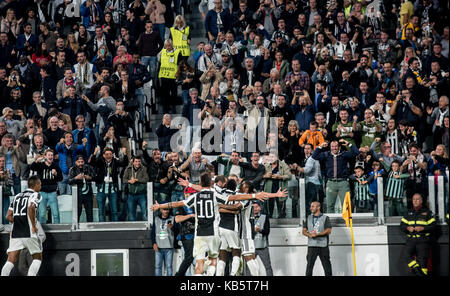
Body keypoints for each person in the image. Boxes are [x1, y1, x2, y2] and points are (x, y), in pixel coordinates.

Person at [153, 173, 286, 276]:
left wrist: (161, 206)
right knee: (224, 257)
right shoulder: (222, 195)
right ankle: (233, 275)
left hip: (206, 233)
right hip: (221, 232)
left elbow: (181, 202)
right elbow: (234, 200)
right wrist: (255, 196)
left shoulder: (203, 195)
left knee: (205, 263)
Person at [1, 175, 43, 276]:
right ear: (36, 185)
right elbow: (31, 207)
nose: (40, 186)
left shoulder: (17, 196)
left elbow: (8, 216)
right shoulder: (36, 195)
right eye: (40, 184)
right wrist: (33, 225)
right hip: (29, 231)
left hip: (16, 232)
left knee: (11, 260)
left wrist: (18, 223)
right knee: (37, 258)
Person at [311, 140, 361, 213]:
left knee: (346, 205)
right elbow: (314, 156)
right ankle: (330, 223)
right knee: (329, 205)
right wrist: (320, 146)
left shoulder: (344, 154)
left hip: (343, 182)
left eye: (336, 146)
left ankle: (347, 224)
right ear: (330, 147)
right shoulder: (326, 155)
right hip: (331, 183)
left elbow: (357, 152)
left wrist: (349, 144)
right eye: (332, 146)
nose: (334, 148)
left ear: (339, 147)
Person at [400, 193, 436, 276]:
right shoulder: (408, 213)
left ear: (421, 201)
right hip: (411, 240)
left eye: (417, 199)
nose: (415, 201)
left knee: (423, 263)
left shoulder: (428, 213)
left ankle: (419, 272)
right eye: (414, 199)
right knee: (406, 255)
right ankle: (417, 270)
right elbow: (402, 226)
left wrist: (423, 228)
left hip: (423, 240)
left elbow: (434, 226)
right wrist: (407, 228)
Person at [89, 146, 128, 222]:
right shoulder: (100, 161)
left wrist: (125, 154)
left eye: (110, 154)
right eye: (106, 154)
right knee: (101, 212)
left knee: (114, 211)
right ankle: (101, 228)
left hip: (113, 188)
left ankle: (115, 228)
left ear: (112, 155)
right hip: (101, 188)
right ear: (103, 155)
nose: (108, 156)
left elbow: (124, 163)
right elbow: (92, 163)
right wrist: (95, 153)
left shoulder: (115, 161)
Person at [29, 149, 63, 224]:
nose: (50, 157)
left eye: (52, 155)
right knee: (42, 214)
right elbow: (31, 167)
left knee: (56, 214)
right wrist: (37, 161)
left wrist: (56, 174)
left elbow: (61, 178)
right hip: (42, 192)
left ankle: (58, 230)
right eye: (49, 155)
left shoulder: (55, 166)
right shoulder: (41, 165)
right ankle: (42, 231)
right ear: (45, 156)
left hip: (53, 193)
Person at [302, 201, 332, 276]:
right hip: (312, 245)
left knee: (327, 267)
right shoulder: (308, 218)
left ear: (318, 207)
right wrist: (309, 234)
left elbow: (328, 230)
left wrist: (318, 234)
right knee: (309, 267)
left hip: (323, 245)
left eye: (313, 206)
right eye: (311, 206)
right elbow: (304, 231)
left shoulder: (325, 218)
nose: (310, 208)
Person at [174, 187, 196, 276]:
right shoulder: (182, 205)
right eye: (188, 194)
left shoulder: (198, 204)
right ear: (185, 194)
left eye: (191, 194)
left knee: (198, 260)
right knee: (189, 258)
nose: (189, 196)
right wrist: (190, 215)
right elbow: (177, 219)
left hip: (199, 235)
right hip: (187, 236)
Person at [68, 155, 96, 223]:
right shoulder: (73, 169)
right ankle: (76, 227)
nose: (80, 163)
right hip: (78, 194)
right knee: (77, 213)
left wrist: (90, 178)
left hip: (88, 194)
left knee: (89, 213)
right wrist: (76, 178)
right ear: (76, 162)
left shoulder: (89, 167)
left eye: (82, 161)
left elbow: (95, 177)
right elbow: (69, 182)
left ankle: (90, 228)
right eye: (79, 162)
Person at [151, 202, 175, 276]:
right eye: (164, 209)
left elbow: (177, 232)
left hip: (169, 247)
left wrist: (172, 228)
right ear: (161, 210)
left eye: (167, 209)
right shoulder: (156, 219)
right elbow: (152, 233)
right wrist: (153, 243)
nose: (166, 211)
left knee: (169, 267)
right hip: (158, 247)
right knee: (158, 267)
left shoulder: (172, 218)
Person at [122, 156, 149, 221]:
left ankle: (147, 227)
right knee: (131, 213)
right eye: (136, 161)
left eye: (139, 161)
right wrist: (129, 181)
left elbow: (146, 179)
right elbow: (124, 180)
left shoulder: (144, 169)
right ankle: (132, 229)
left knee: (144, 212)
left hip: (141, 194)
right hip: (131, 195)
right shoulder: (128, 169)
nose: (138, 163)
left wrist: (137, 180)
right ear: (133, 162)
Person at [253, 200, 273, 276]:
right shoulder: (248, 217)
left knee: (268, 266)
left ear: (260, 207)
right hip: (251, 246)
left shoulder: (265, 217)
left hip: (262, 246)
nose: (255, 209)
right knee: (249, 267)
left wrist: (260, 230)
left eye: (256, 207)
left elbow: (267, 231)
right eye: (253, 207)